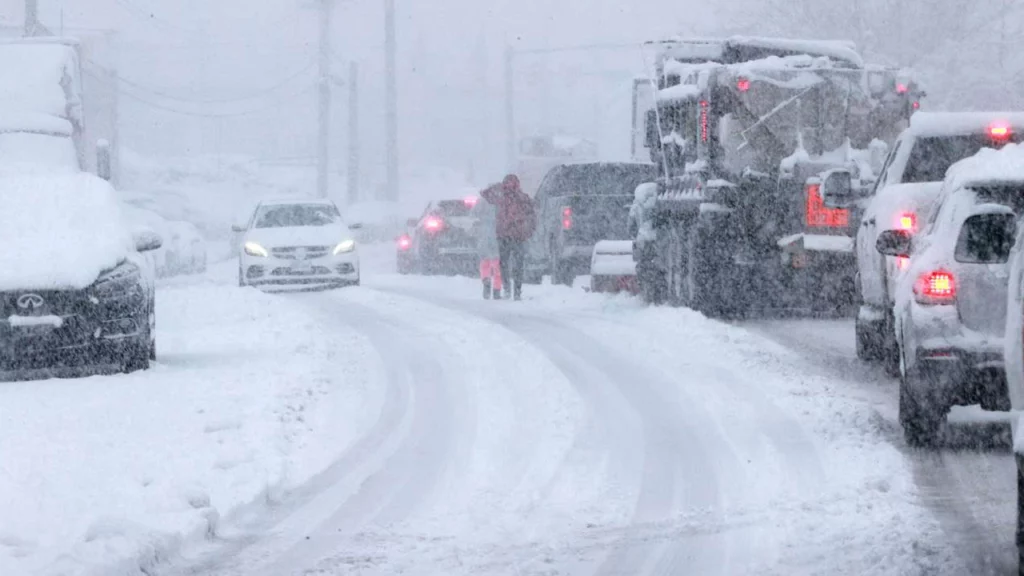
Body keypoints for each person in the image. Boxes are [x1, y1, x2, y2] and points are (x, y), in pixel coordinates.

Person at [481, 174, 536, 300]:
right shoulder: (522, 198)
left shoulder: (502, 197)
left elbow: (485, 194)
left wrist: (496, 187)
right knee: (516, 265)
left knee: (505, 264)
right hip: (517, 236)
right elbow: (532, 215)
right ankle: (516, 291)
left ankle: (508, 288)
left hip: (506, 236)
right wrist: (529, 230)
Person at [471, 196, 502, 299]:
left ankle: (486, 280)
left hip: (484, 234)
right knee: (497, 264)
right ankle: (497, 290)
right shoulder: (502, 200)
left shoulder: (482, 201)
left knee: (485, 262)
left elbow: (473, 214)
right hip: (497, 234)